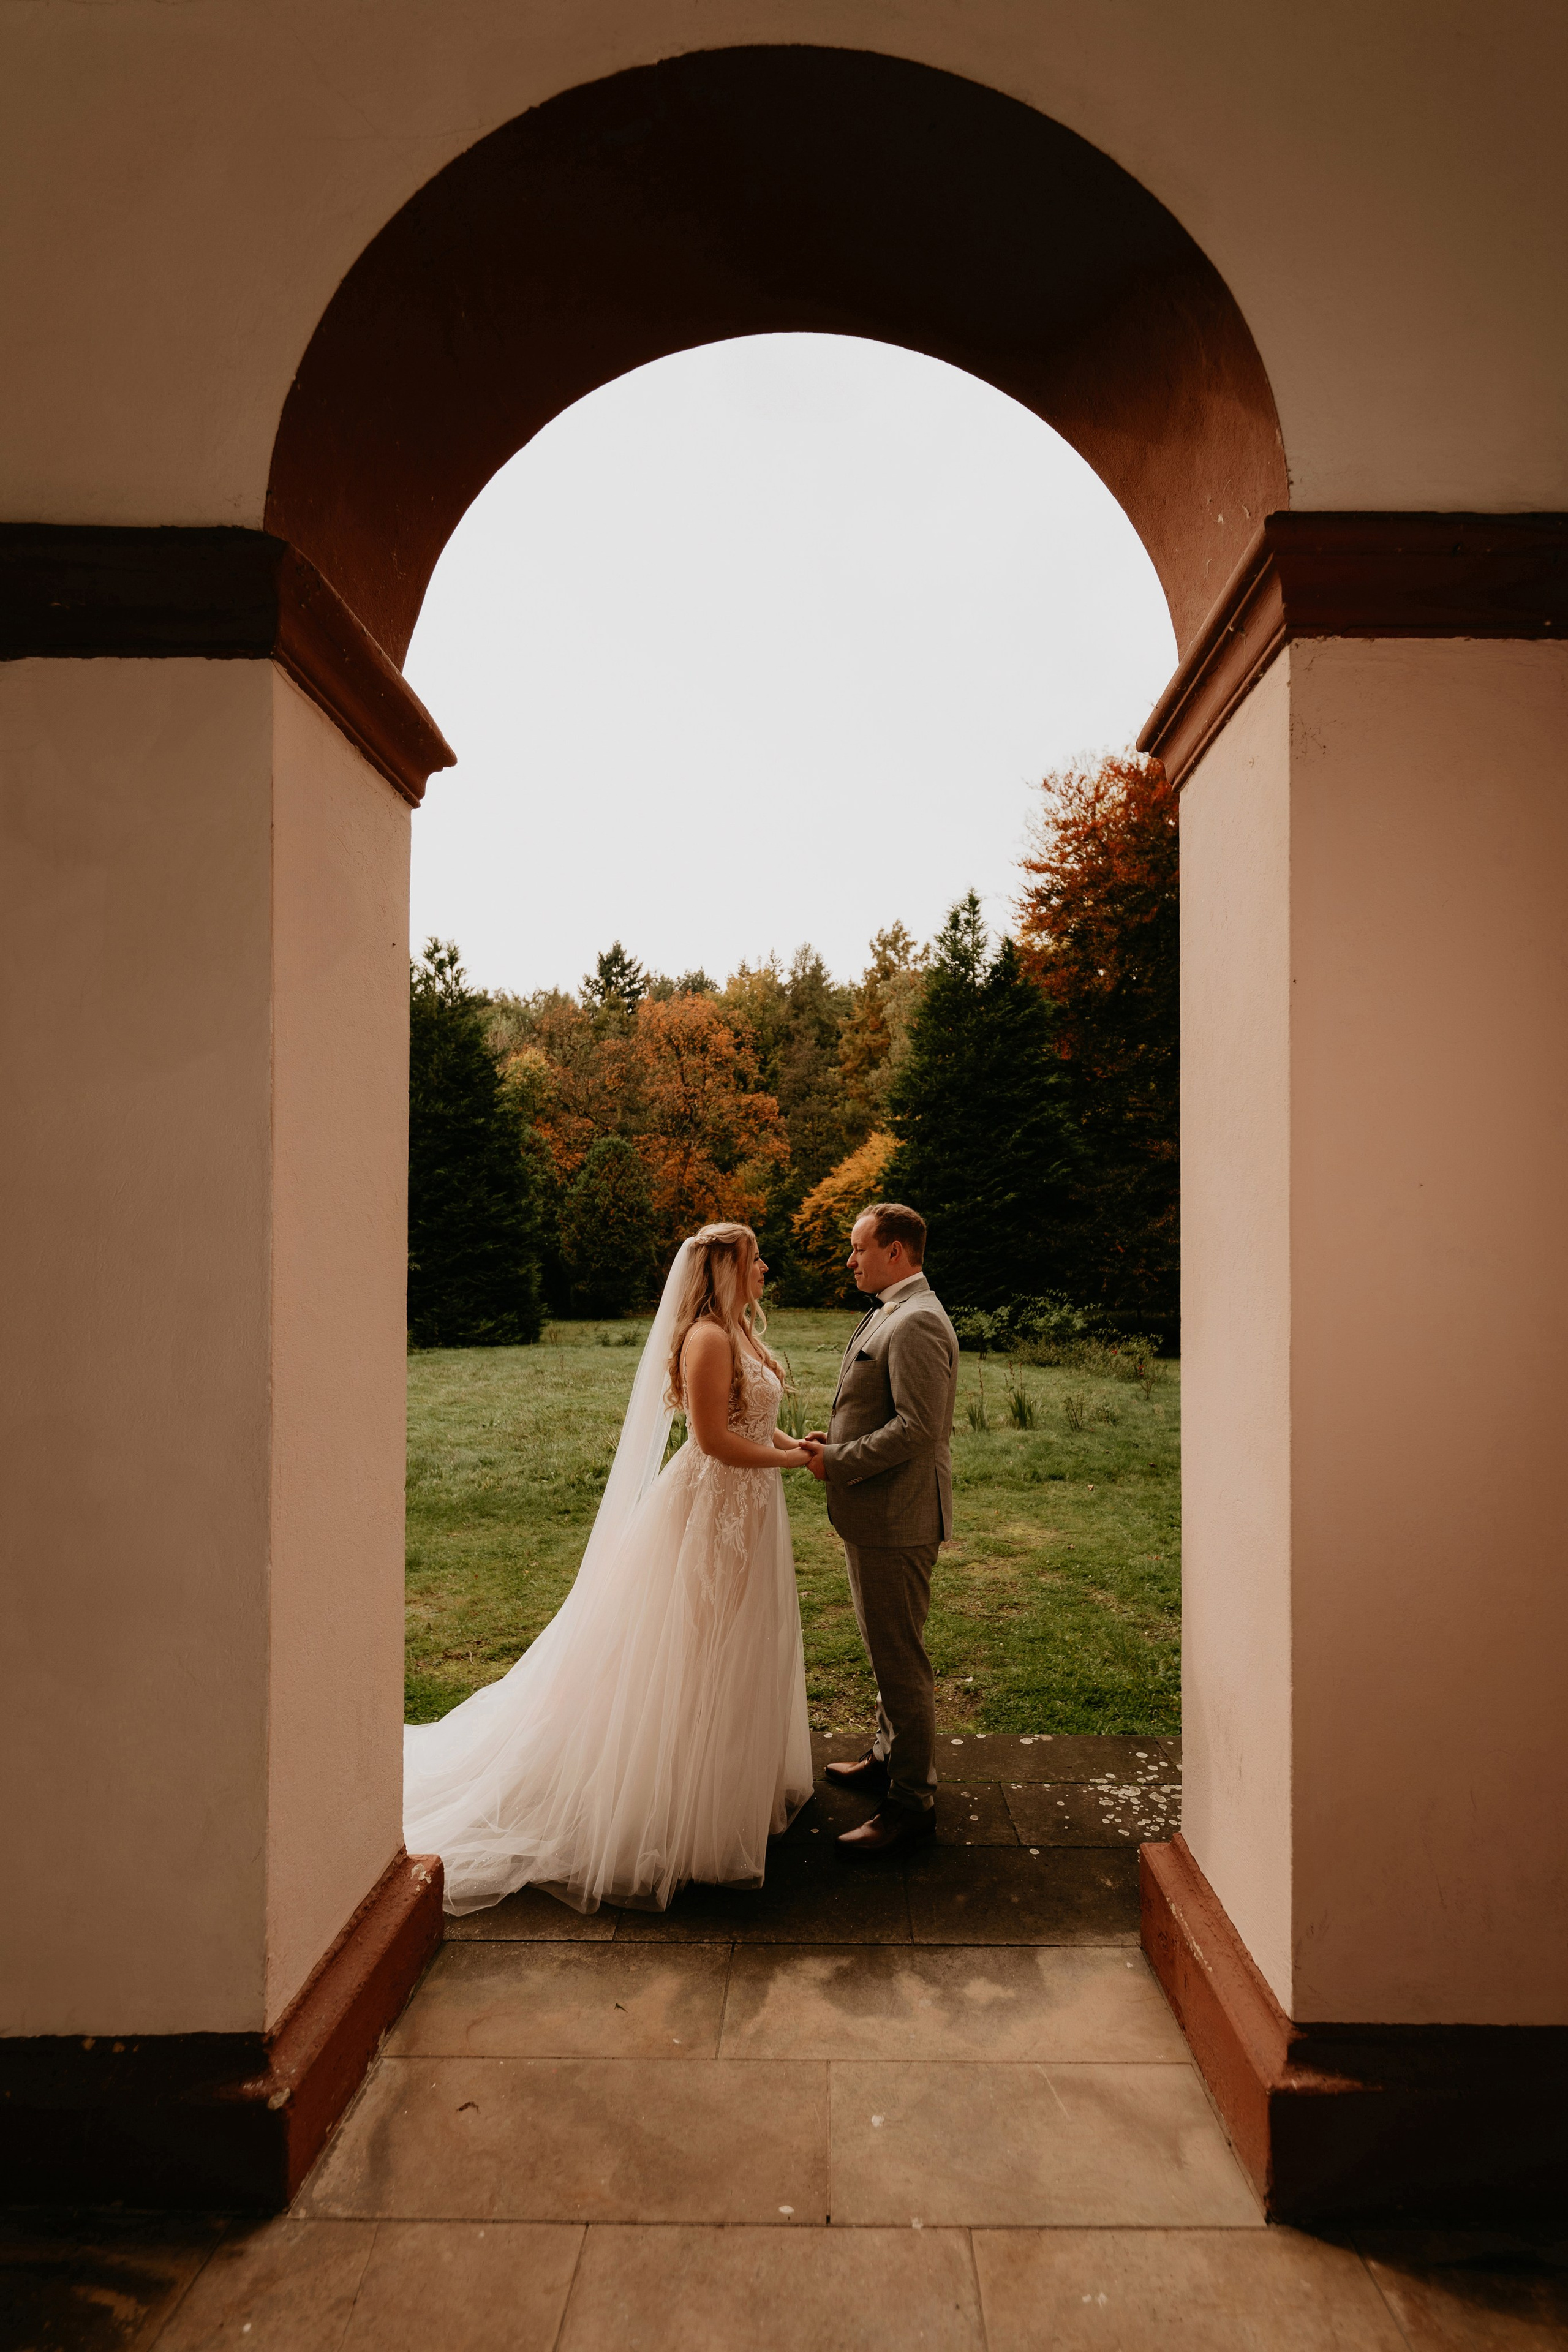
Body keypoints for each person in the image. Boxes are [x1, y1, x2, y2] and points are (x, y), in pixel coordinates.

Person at [404, 1223, 816, 1914]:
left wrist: (787, 1444)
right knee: (695, 1644)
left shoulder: (741, 1333)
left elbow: (750, 1421)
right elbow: (714, 1441)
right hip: (710, 1512)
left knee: (737, 1640)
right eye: (754, 1259)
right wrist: (790, 1463)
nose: (765, 1267)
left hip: (749, 1509)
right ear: (724, 1269)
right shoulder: (708, 1339)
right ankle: (677, 1806)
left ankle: (720, 1788)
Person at [801, 1202, 960, 1857]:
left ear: (895, 1251)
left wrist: (837, 1461)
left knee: (901, 1662)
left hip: (898, 1519)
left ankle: (910, 1804)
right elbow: (876, 1407)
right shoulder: (891, 1308)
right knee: (885, 1650)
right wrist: (831, 1438)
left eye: (859, 1248)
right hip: (875, 1514)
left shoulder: (918, 1320)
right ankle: (886, 1757)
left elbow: (918, 1429)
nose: (850, 1259)